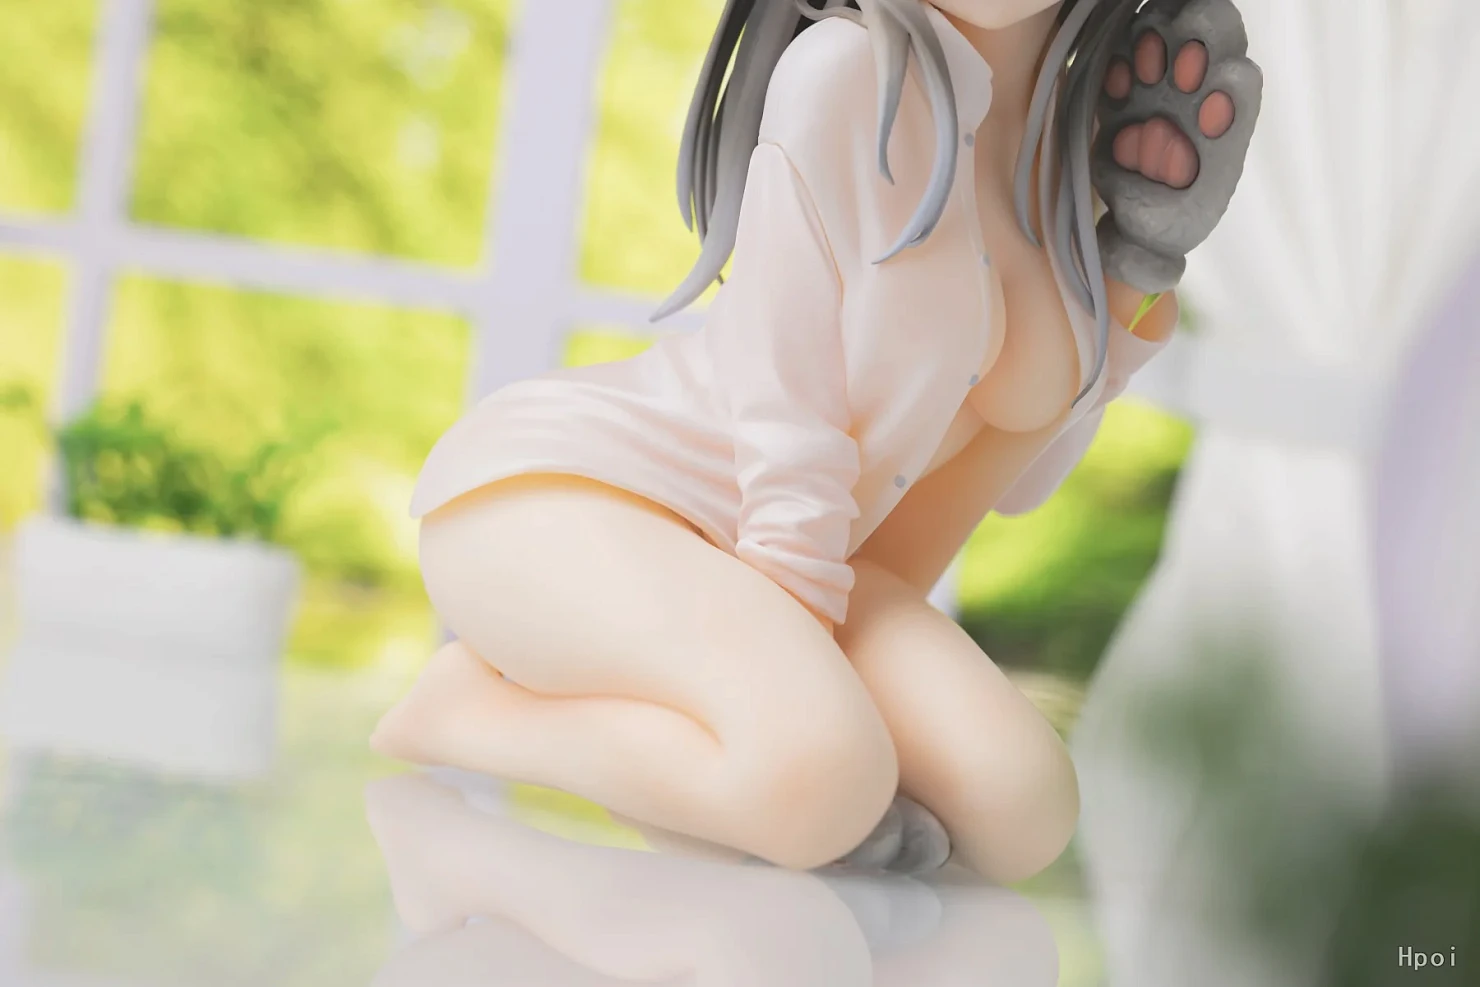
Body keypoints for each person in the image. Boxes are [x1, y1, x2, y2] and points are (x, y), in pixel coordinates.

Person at [372, 0, 1262, 882]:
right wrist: (804, 696)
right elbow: (782, 393)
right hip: (573, 500)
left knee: (1023, 810)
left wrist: (1134, 267)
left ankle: (749, 783)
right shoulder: (845, 72)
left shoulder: (1060, 149)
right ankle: (469, 711)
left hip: (795, 559)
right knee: (821, 778)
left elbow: (1017, 479)